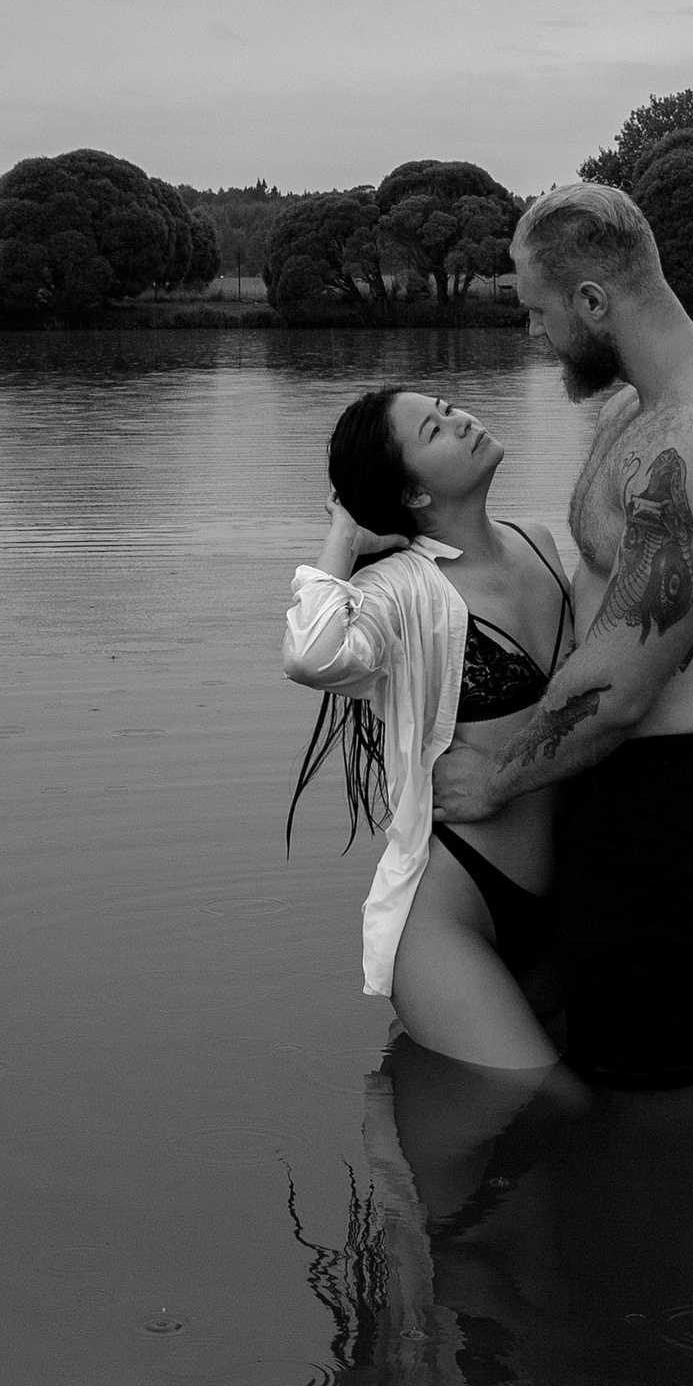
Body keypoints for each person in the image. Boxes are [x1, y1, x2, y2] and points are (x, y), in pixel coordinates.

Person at [432, 180, 693, 1088]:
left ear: (593, 302)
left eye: (538, 313)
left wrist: (496, 778)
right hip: (622, 793)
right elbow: (626, 613)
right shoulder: (639, 411)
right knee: (637, 1064)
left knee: (652, 1108)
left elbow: (617, 688)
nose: (535, 335)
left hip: (674, 816)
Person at [283, 385, 576, 1073]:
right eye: (436, 429)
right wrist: (346, 531)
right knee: (547, 1097)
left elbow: (603, 678)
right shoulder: (399, 590)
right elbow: (312, 652)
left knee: (575, 1145)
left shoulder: (539, 541)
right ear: (412, 495)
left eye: (449, 408)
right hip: (457, 915)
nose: (462, 419)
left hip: (566, 896)